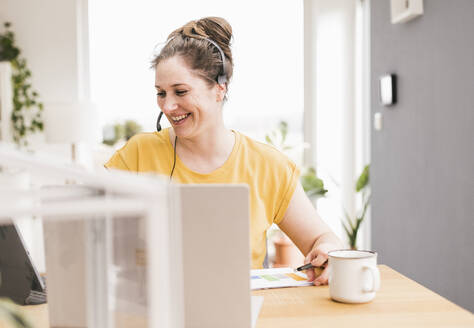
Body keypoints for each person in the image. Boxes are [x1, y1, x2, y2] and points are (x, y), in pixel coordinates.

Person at [105, 16, 343, 285]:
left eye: (180, 92)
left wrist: (329, 252)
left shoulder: (267, 165)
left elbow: (322, 239)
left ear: (220, 88)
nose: (167, 107)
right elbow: (91, 231)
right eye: (161, 93)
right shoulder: (137, 154)